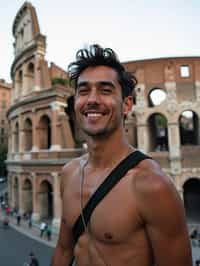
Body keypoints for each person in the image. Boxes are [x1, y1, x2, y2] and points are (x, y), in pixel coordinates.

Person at [51, 44, 192, 266]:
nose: (92, 100)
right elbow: (63, 250)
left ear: (127, 105)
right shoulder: (69, 174)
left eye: (105, 90)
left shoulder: (152, 186)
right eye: (83, 90)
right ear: (76, 101)